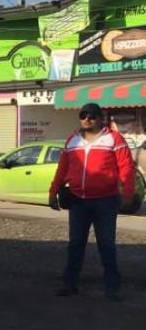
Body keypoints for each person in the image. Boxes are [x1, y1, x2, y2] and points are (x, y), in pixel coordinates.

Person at [48, 102, 136, 301]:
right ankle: (70, 284)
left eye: (92, 116)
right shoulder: (72, 140)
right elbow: (62, 168)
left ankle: (112, 289)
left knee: (106, 244)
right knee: (75, 244)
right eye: (83, 115)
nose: (87, 119)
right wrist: (53, 192)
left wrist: (128, 193)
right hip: (78, 201)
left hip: (106, 201)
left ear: (101, 118)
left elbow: (126, 167)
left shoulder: (114, 139)